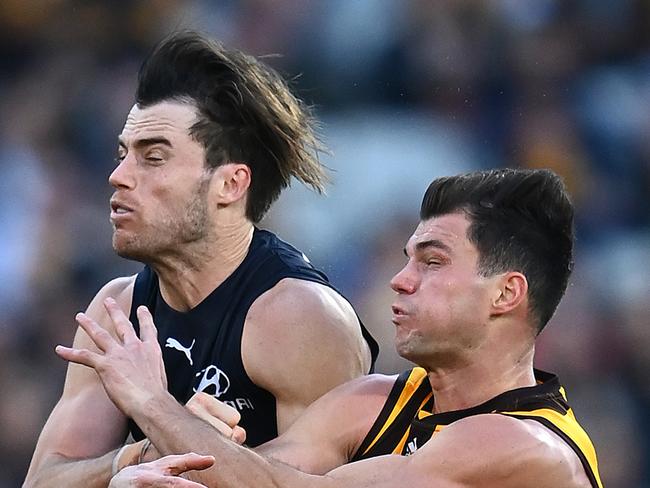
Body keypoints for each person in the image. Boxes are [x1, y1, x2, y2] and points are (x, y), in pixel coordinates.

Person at [57, 168, 603, 488]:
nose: (399, 280)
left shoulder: (525, 446)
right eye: (407, 259)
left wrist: (153, 406)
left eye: (432, 263)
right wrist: (144, 467)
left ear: (507, 294)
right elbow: (236, 474)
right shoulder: (369, 402)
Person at [24, 31, 378, 487]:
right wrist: (141, 456)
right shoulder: (118, 312)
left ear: (229, 185)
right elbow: (41, 482)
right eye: (121, 155)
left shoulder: (297, 317)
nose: (117, 176)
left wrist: (158, 412)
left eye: (153, 158)